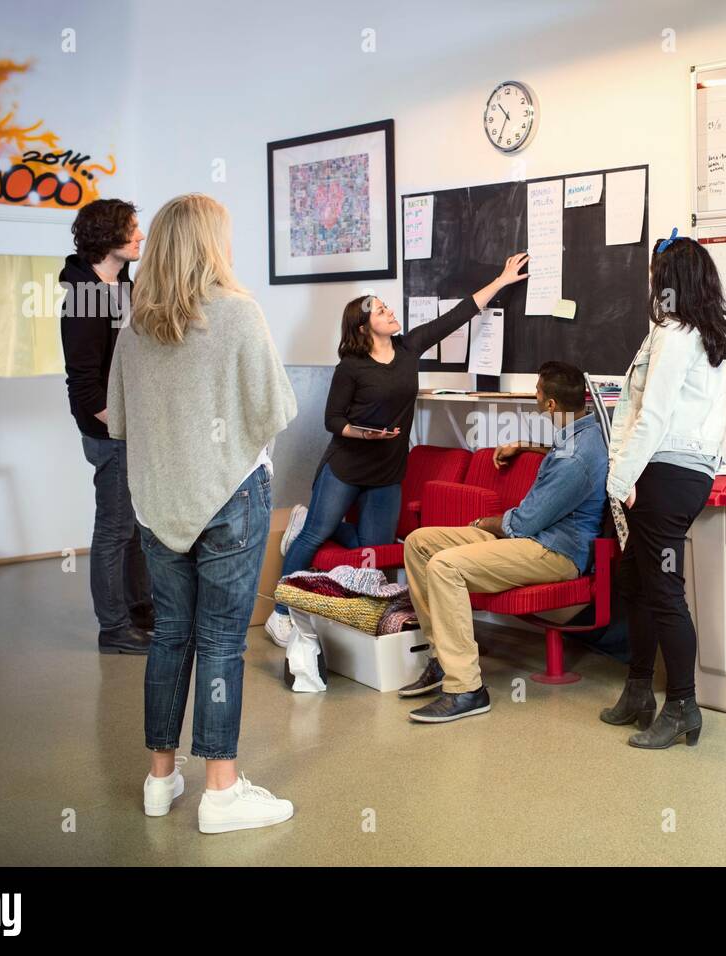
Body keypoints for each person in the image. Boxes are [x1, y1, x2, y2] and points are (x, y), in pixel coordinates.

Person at [108, 194, 298, 833]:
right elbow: (275, 410)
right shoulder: (240, 313)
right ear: (211, 244)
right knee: (221, 638)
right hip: (230, 498)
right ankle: (221, 790)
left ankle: (160, 779)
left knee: (170, 635)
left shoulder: (135, 326)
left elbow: (121, 420)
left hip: (158, 500)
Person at [265, 253, 532, 648]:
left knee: (374, 549)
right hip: (347, 465)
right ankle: (280, 612)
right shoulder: (351, 367)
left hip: (388, 472)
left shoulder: (409, 349)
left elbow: (457, 315)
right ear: (363, 325)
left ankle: (373, 613)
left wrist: (502, 280)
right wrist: (363, 434)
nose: (389, 311)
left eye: (388, 307)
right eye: (380, 310)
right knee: (314, 534)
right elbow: (332, 420)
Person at [398, 361, 607, 724]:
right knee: (419, 543)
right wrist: (526, 445)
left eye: (538, 393)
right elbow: (562, 463)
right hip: (533, 538)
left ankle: (465, 688)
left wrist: (482, 523)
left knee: (445, 566)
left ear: (552, 405)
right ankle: (441, 660)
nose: (536, 398)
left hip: (554, 552)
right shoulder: (582, 435)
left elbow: (523, 522)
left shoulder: (576, 457)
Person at [600, 230, 726, 750]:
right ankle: (638, 690)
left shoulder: (676, 336)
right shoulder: (705, 334)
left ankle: (682, 705)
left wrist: (619, 480)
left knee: (663, 591)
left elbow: (651, 416)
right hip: (685, 471)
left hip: (664, 473)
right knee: (635, 580)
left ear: (670, 283)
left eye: (658, 277)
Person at [59, 198, 154, 655]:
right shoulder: (83, 293)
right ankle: (113, 628)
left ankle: (140, 610)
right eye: (133, 229)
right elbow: (84, 385)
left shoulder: (121, 288)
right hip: (110, 431)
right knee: (114, 529)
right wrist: (121, 426)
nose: (141, 237)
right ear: (107, 236)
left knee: (132, 526)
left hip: (130, 427)